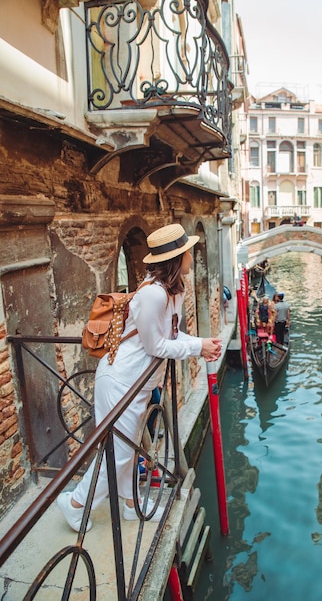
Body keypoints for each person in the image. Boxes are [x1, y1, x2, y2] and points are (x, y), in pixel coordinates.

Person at [58, 223, 222, 532]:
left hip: (138, 382)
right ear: (177, 258)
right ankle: (76, 503)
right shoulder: (153, 296)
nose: (191, 255)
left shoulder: (174, 290)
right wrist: (198, 348)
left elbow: (171, 334)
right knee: (118, 452)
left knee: (129, 448)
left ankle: (132, 504)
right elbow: (155, 345)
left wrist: (201, 344)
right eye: (187, 251)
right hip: (120, 380)